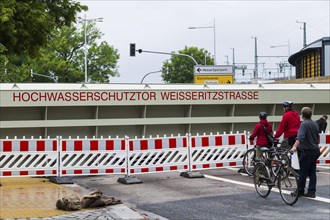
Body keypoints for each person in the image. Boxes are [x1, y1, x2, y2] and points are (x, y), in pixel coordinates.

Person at [291, 107, 321, 198]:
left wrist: (294, 146)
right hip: (315, 150)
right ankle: (311, 191)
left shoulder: (303, 124)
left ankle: (299, 191)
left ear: (302, 115)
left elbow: (300, 137)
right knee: (312, 172)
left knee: (303, 172)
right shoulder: (315, 123)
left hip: (306, 151)